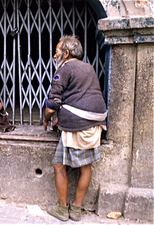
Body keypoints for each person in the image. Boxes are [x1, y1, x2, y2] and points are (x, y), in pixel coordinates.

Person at [43, 35, 107, 221]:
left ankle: (62, 209)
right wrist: (61, 118)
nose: (55, 56)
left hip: (78, 123)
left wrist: (47, 119)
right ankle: (77, 210)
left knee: (59, 165)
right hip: (96, 121)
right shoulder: (88, 67)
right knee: (85, 168)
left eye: (56, 52)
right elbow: (79, 96)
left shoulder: (64, 69)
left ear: (66, 53)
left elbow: (52, 104)